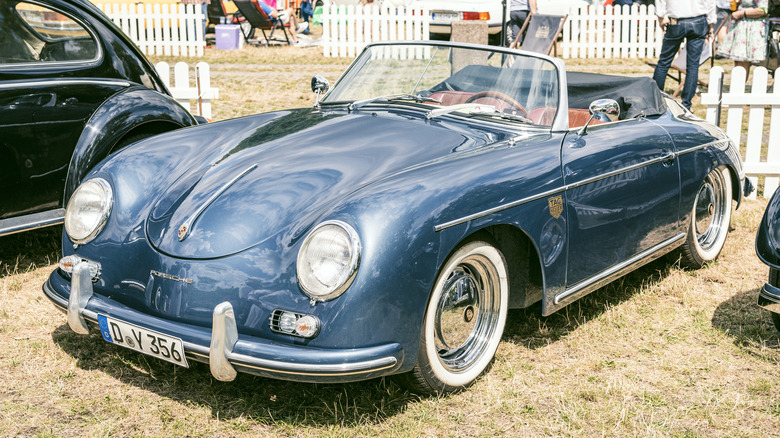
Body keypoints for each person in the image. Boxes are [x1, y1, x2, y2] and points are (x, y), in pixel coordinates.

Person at [652, 0, 716, 110]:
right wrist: (710, 27)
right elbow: (710, 3)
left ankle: (655, 101)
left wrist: (661, 18)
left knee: (664, 63)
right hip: (699, 20)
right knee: (693, 66)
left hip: (676, 21)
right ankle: (686, 104)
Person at [717, 0, 769, 73]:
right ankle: (737, 82)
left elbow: (763, 10)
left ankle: (739, 82)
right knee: (738, 60)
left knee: (743, 60)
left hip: (751, 28)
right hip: (740, 26)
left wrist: (742, 13)